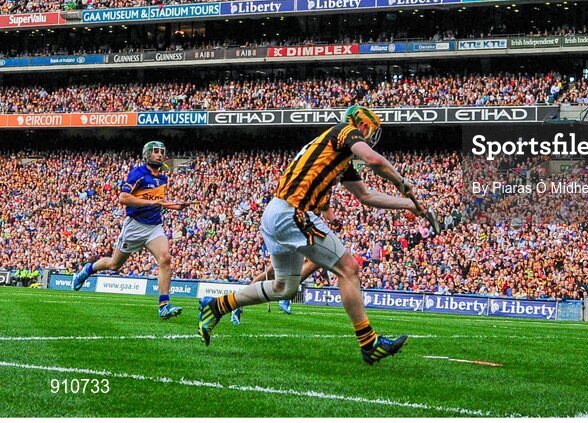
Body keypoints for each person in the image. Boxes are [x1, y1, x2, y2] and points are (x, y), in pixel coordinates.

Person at [198, 106, 427, 365]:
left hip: (277, 212)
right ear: (362, 125)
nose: (371, 135)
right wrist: (402, 182)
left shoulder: (340, 156)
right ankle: (369, 343)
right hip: (294, 212)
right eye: (370, 130)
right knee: (348, 268)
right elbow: (374, 161)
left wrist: (408, 205)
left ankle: (216, 306)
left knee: (284, 287)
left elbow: (366, 196)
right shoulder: (344, 131)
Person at [72, 141, 190, 320]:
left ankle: (164, 305)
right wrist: (150, 202)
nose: (159, 155)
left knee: (165, 258)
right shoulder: (138, 174)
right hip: (135, 226)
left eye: (161, 152)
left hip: (154, 226)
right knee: (114, 265)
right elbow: (124, 198)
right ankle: (87, 270)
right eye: (155, 152)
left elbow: (160, 202)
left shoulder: (162, 179)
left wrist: (177, 206)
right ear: (147, 155)